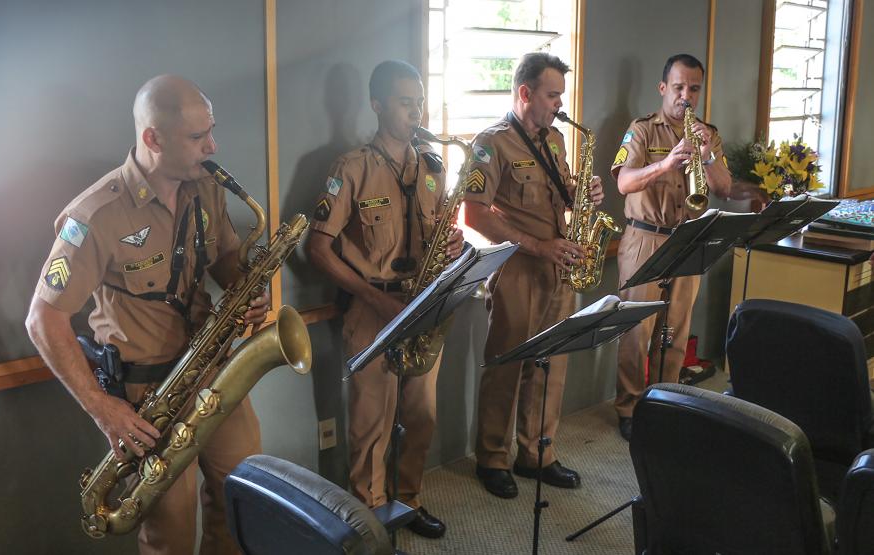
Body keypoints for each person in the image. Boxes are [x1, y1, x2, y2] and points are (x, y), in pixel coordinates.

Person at [25, 74, 271, 555]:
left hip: (215, 373)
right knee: (170, 534)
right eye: (198, 137)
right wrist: (104, 409)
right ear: (153, 138)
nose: (212, 146)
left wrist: (247, 287)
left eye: (211, 131)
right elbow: (43, 319)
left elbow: (222, 258)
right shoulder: (95, 215)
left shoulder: (207, 189)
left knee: (244, 502)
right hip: (147, 399)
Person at [305, 60, 463, 539]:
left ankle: (409, 500)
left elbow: (439, 232)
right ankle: (368, 519)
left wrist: (451, 244)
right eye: (404, 102)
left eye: (419, 102)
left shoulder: (433, 168)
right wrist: (373, 298)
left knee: (421, 417)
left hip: (424, 307)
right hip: (372, 309)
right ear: (377, 105)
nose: (416, 112)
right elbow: (316, 249)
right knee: (371, 427)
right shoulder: (350, 167)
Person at [463, 52, 604, 499]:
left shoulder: (556, 140)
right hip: (517, 268)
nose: (559, 105)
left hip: (558, 267)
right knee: (506, 365)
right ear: (525, 93)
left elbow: (558, 196)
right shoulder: (492, 142)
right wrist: (540, 245)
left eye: (561, 94)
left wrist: (585, 193)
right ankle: (492, 458)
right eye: (552, 95)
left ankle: (536, 453)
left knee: (551, 366)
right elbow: (474, 214)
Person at [611, 54, 732, 441]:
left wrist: (705, 153)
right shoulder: (642, 130)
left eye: (693, 89)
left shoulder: (707, 133)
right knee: (635, 331)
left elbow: (724, 188)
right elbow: (624, 183)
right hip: (644, 237)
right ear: (663, 88)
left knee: (674, 332)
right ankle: (629, 409)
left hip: (687, 240)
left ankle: (665, 401)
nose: (686, 96)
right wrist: (666, 165)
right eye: (678, 87)